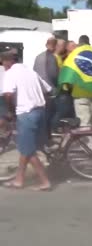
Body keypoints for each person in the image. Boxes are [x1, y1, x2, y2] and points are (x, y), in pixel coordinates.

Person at [1, 50, 52, 191]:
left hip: (26, 114)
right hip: (40, 112)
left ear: (7, 62)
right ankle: (19, 179)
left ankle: (45, 181)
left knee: (28, 150)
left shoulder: (11, 73)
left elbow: (8, 94)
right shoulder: (30, 71)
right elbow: (47, 90)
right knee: (26, 147)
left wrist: (11, 112)